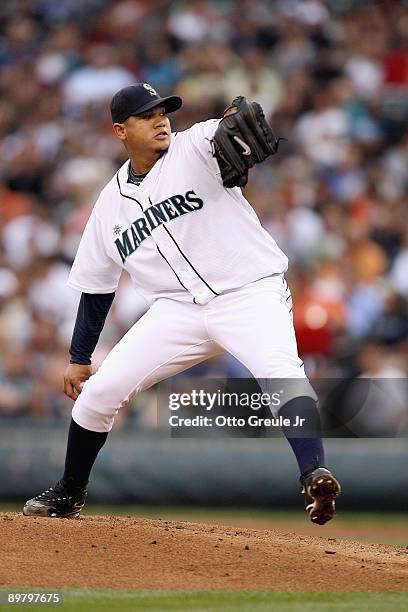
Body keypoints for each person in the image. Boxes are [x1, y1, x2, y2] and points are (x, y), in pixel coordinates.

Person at [23, 83, 341, 524]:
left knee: (282, 372)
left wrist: (240, 132)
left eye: (163, 111)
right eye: (146, 115)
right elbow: (98, 286)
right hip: (178, 311)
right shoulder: (109, 205)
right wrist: (79, 357)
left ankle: (314, 473)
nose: (160, 119)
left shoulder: (195, 146)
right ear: (120, 130)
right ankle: (69, 491)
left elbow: (230, 132)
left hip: (250, 293)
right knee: (98, 394)